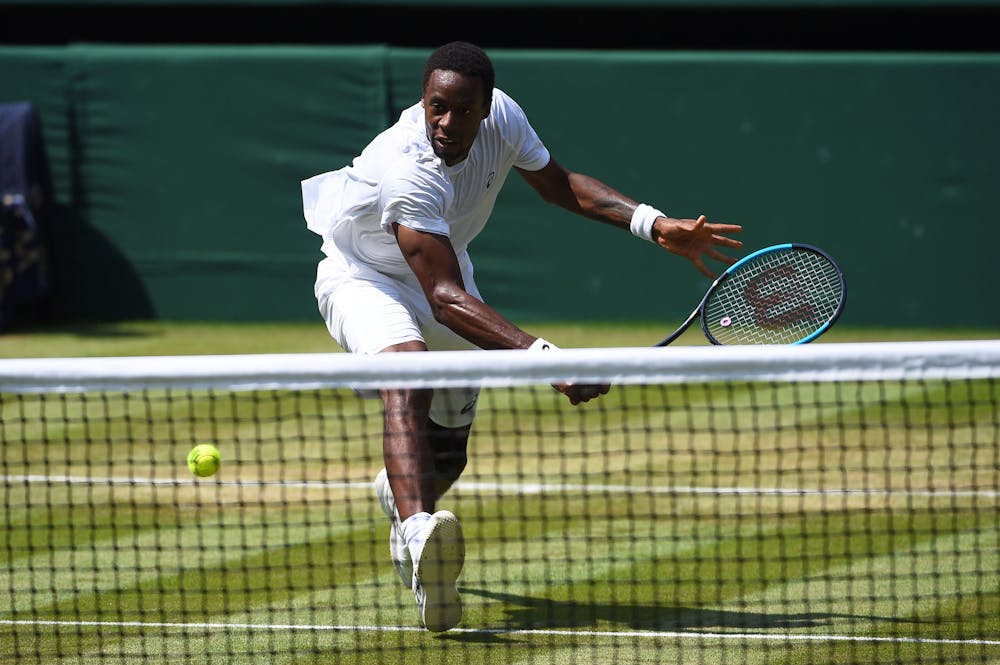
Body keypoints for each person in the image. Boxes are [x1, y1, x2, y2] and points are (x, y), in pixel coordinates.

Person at [301, 41, 742, 633]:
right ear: (423, 101)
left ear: (486, 107)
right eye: (437, 107)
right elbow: (445, 300)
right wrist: (548, 361)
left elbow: (560, 185)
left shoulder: (503, 118)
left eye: (462, 110)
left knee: (449, 447)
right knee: (407, 372)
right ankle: (414, 533)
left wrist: (654, 224)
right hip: (365, 278)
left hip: (444, 270)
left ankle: (400, 489)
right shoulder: (409, 170)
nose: (447, 123)